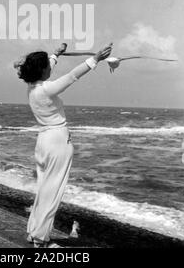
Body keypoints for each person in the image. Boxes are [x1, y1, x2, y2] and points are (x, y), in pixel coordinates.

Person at [15, 42, 113, 247]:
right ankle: (41, 240)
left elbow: (47, 68)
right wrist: (95, 59)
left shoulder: (33, 88)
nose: (50, 68)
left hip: (43, 141)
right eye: (48, 66)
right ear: (42, 70)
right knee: (52, 192)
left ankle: (34, 232)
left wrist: (55, 55)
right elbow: (71, 76)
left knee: (44, 189)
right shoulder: (46, 89)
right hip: (57, 142)